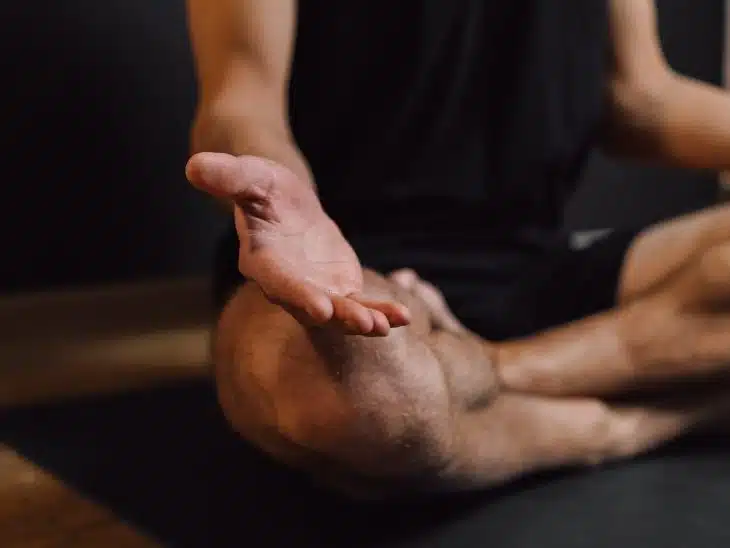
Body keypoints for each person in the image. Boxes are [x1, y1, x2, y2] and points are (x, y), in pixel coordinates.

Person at [184, 0, 730, 497]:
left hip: (538, 262)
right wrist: (289, 197)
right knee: (368, 403)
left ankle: (492, 372)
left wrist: (486, 369)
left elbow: (637, 99)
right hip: (347, 267)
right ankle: (632, 422)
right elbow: (241, 105)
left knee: (405, 414)